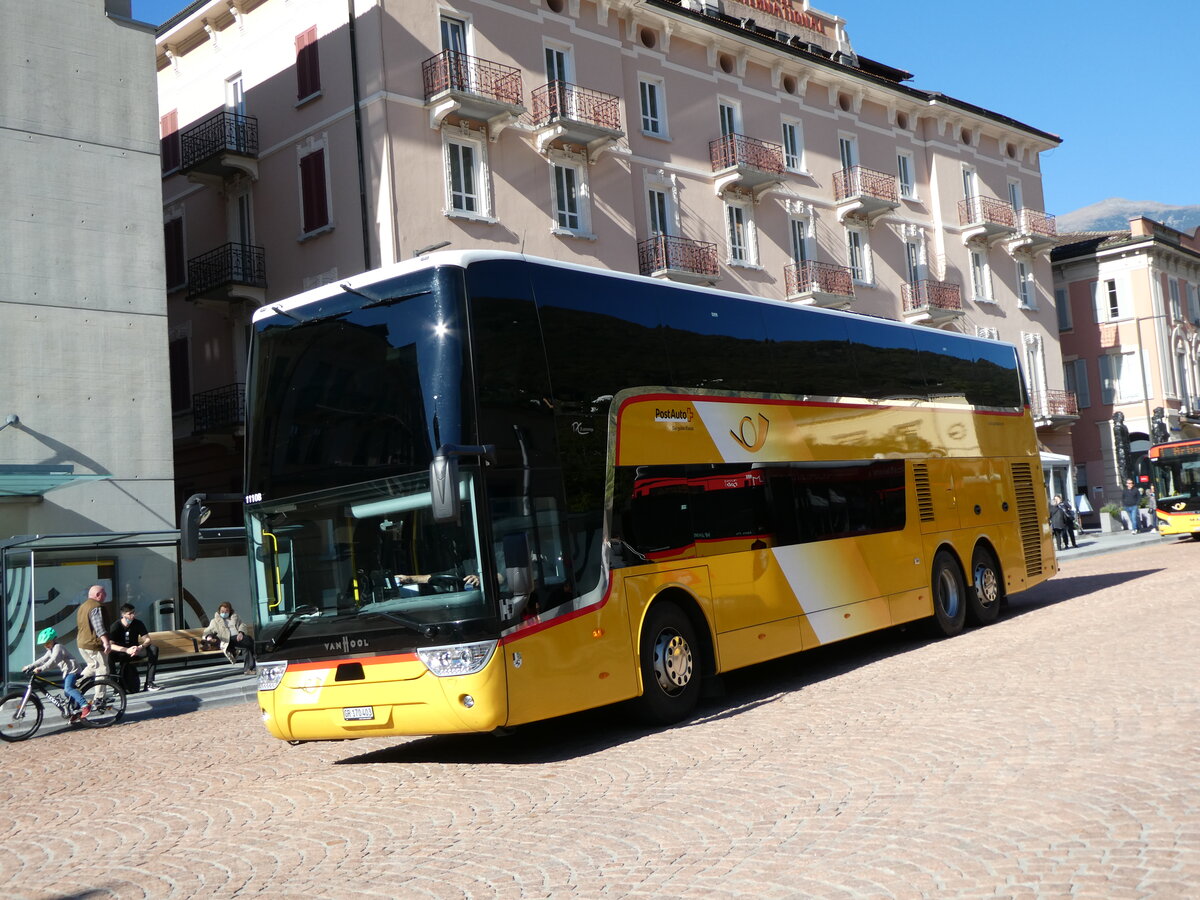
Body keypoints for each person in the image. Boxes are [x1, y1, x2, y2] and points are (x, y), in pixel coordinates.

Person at [23, 627, 90, 720]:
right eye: (44, 644)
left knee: (68, 689)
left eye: (48, 643)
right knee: (68, 694)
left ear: (54, 640)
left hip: (72, 671)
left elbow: (53, 661)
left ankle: (85, 705)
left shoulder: (58, 647)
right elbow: (43, 659)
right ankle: (77, 711)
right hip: (67, 672)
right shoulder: (51, 650)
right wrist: (30, 666)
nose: (46, 645)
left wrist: (41, 669)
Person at [108, 603, 162, 692]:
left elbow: (147, 639)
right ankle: (116, 686)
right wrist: (127, 650)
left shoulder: (138, 623)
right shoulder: (116, 626)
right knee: (109, 655)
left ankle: (149, 682)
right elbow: (111, 645)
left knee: (153, 648)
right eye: (129, 614)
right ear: (123, 614)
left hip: (136, 650)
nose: (132, 616)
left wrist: (140, 647)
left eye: (133, 613)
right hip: (122, 652)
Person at [75, 584, 113, 700]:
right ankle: (100, 697)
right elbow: (99, 627)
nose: (105, 595)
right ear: (98, 595)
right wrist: (106, 642)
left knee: (92, 665)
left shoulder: (83, 606)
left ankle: (76, 684)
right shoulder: (96, 606)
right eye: (104, 593)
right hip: (93, 644)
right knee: (102, 669)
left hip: (82, 643)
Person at [202, 602, 256, 674]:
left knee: (247, 647)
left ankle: (248, 670)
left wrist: (241, 633)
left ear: (230, 611)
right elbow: (207, 631)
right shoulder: (215, 621)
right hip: (226, 641)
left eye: (226, 611)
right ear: (219, 611)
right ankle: (258, 653)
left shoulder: (235, 618)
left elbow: (242, 625)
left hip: (239, 640)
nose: (224, 613)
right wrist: (208, 636)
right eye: (222, 611)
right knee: (249, 640)